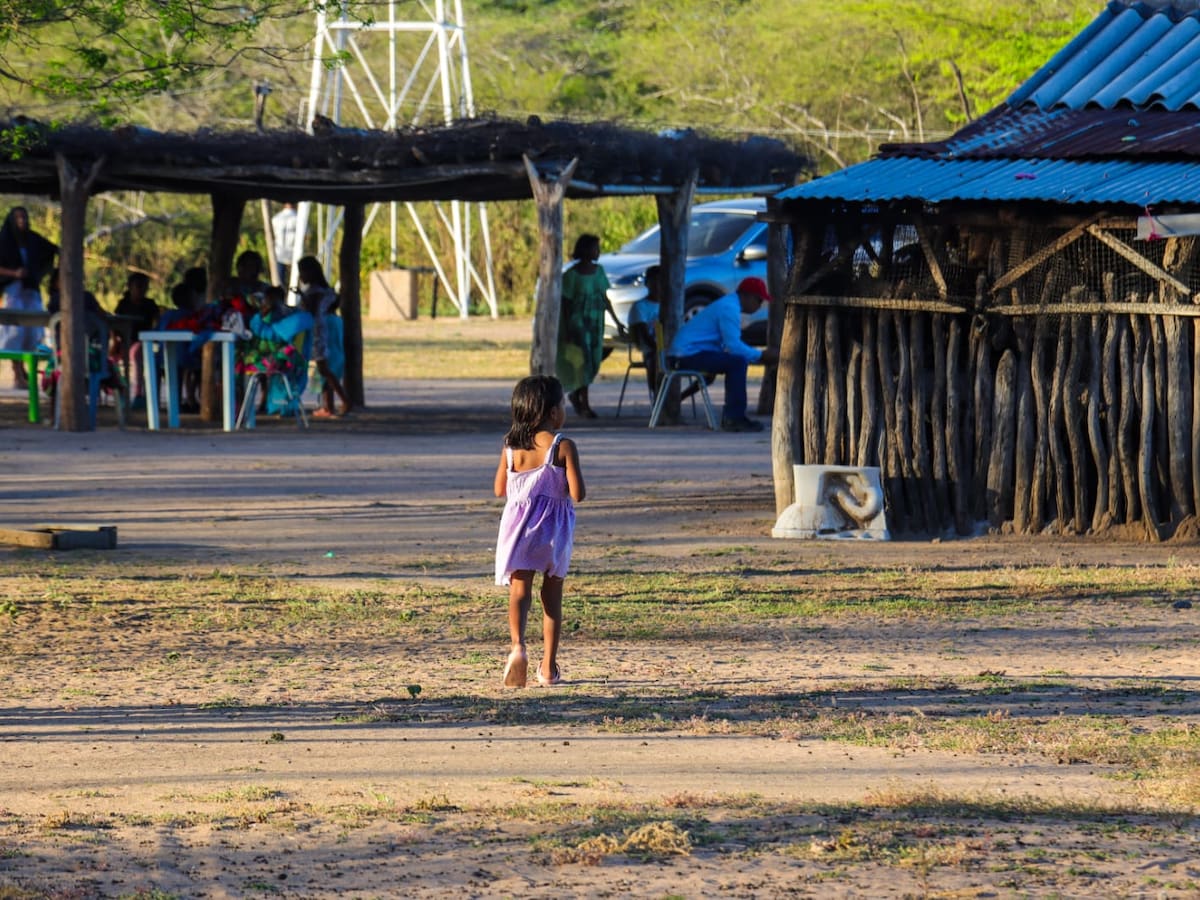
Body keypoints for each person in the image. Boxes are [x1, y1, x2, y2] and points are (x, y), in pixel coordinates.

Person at [493, 374, 586, 688]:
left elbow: (499, 489)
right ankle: (548, 668)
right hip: (553, 533)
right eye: (562, 404)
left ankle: (518, 646)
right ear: (551, 411)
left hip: (518, 530)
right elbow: (578, 494)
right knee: (552, 598)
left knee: (520, 592)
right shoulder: (563, 446)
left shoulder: (511, 447)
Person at [666, 276, 779, 432]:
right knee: (737, 363)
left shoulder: (728, 305)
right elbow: (734, 346)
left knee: (734, 361)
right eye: (758, 300)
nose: (759, 306)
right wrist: (761, 355)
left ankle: (732, 415)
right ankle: (734, 417)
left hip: (685, 354)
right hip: (684, 355)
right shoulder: (729, 309)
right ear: (746, 295)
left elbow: (728, 345)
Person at [557, 233, 617, 418]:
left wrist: (617, 321)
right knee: (583, 363)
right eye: (594, 248)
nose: (597, 252)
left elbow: (604, 298)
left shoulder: (599, 271)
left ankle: (577, 394)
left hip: (595, 323)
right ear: (584, 250)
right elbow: (565, 304)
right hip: (578, 324)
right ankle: (584, 403)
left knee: (593, 360)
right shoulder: (571, 275)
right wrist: (566, 329)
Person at [0, 207, 57, 389]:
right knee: (15, 332)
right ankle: (17, 372)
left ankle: (25, 369)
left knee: (32, 331)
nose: (22, 220)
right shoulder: (4, 241)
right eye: (18, 217)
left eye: (24, 216)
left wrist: (38, 273)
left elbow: (52, 251)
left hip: (31, 290)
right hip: (13, 289)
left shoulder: (33, 240)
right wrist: (14, 273)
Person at [296, 255, 351, 418]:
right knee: (324, 370)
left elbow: (311, 312)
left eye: (302, 273)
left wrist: (303, 298)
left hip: (318, 333)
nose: (301, 277)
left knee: (324, 369)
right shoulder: (325, 291)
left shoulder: (314, 292)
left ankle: (345, 400)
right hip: (324, 331)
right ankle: (328, 406)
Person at [112, 272, 160, 410]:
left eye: (145, 287)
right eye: (139, 286)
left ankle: (138, 394)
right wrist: (115, 341)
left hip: (143, 342)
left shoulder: (150, 305)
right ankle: (119, 390)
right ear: (130, 287)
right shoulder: (123, 304)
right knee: (112, 358)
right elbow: (115, 323)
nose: (142, 290)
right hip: (124, 341)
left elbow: (157, 322)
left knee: (135, 354)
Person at [628, 264, 662, 399]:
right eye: (654, 282)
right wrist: (657, 348)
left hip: (666, 345)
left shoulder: (669, 305)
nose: (658, 286)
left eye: (661, 282)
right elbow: (643, 335)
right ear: (647, 284)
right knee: (654, 359)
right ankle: (657, 395)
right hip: (649, 347)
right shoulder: (640, 307)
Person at [271, 202, 298, 287]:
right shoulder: (299, 218)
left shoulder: (276, 218)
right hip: (294, 254)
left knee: (279, 283)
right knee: (295, 283)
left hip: (279, 254)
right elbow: (306, 236)